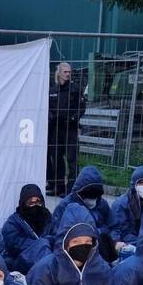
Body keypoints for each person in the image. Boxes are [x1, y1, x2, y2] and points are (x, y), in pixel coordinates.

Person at [24, 222, 114, 285]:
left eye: (88, 241)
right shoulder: (46, 269)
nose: (83, 246)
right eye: (76, 242)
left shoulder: (101, 267)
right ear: (65, 245)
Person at [50, 165, 115, 262]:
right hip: (76, 251)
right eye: (89, 193)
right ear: (79, 191)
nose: (92, 197)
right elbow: (57, 235)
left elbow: (113, 226)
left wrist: (112, 239)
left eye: (95, 194)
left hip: (100, 250)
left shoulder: (102, 204)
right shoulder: (65, 206)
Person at [47, 62, 85, 195]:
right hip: (56, 129)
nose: (68, 74)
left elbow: (81, 107)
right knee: (56, 159)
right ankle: (58, 187)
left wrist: (73, 118)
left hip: (70, 129)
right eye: (65, 72)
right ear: (59, 73)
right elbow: (48, 109)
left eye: (69, 72)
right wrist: (51, 117)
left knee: (71, 160)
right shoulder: (53, 91)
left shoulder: (75, 89)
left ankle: (72, 189)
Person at [1, 183, 52, 275]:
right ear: (24, 203)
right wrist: (40, 244)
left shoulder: (47, 217)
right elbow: (14, 244)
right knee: (43, 245)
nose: (36, 205)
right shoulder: (13, 222)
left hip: (46, 257)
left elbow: (55, 236)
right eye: (31, 203)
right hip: (20, 260)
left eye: (38, 202)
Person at [110, 166, 143, 254]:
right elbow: (117, 229)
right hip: (128, 244)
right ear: (134, 184)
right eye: (140, 183)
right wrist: (116, 243)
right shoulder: (121, 204)